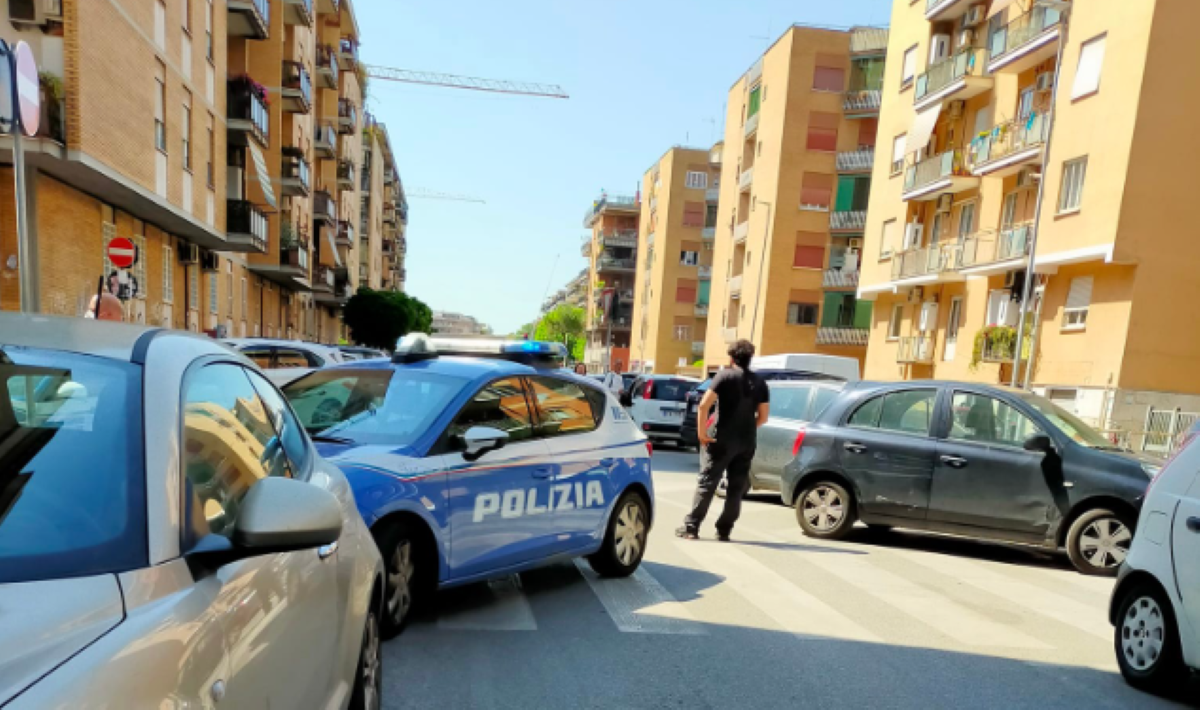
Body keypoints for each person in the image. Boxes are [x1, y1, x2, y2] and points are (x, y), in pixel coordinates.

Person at [677, 339, 769, 541]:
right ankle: (724, 530)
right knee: (736, 488)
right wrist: (747, 428)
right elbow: (763, 417)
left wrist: (702, 433)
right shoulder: (760, 383)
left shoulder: (724, 376)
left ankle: (691, 527)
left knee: (707, 482)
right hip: (747, 441)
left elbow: (703, 405)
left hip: (721, 438)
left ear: (731, 357)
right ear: (750, 358)